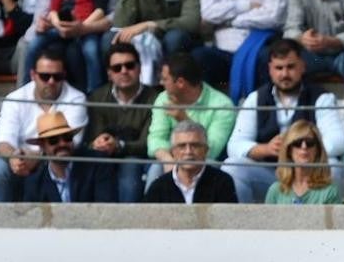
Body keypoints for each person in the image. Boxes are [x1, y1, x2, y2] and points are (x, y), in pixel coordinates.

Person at [224, 38, 344, 203]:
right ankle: (247, 226)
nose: (284, 74)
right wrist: (265, 149)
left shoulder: (321, 97)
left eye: (290, 67)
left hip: (308, 176)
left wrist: (296, 148)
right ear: (270, 70)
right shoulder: (256, 98)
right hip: (270, 175)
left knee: (335, 168)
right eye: (279, 68)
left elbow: (338, 141)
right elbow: (235, 145)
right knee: (232, 166)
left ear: (302, 66)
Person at [0, 47, 88, 201]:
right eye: (45, 76)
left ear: (64, 75)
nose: (52, 81)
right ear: (33, 75)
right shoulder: (15, 98)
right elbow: (2, 140)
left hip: (58, 161)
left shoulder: (76, 98)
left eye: (57, 76)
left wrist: (37, 157)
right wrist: (14, 157)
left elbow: (72, 142)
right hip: (20, 163)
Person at [85, 42, 159, 202]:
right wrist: (98, 143)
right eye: (117, 68)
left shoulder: (154, 98)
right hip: (103, 156)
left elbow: (147, 144)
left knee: (130, 165)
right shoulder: (96, 98)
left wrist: (119, 145)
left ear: (139, 68)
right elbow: (93, 138)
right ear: (109, 74)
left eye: (129, 65)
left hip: (137, 157)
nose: (124, 71)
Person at [146, 51, 236, 181]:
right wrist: (168, 160)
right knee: (156, 168)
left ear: (181, 83)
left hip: (207, 164)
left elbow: (211, 151)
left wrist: (184, 119)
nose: (161, 83)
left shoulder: (222, 105)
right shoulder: (163, 99)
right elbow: (155, 139)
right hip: (172, 158)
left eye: (165, 79)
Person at [196, 0, 288, 89]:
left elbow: (273, 17)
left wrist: (231, 22)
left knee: (268, 57)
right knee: (199, 56)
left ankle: (263, 102)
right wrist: (246, 6)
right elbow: (207, 12)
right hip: (222, 50)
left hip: (258, 47)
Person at [24, 0, 110, 92]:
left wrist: (82, 27)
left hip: (86, 28)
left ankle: (94, 91)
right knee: (35, 43)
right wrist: (57, 23)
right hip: (61, 26)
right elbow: (53, 10)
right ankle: (26, 87)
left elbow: (100, 10)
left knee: (91, 50)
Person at [21, 110, 117, 202]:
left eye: (67, 138)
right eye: (53, 140)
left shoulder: (97, 164)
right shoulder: (35, 183)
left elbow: (105, 209)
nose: (62, 144)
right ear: (42, 146)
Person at [107, 0, 202, 60]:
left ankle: (168, 78)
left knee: (174, 38)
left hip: (175, 34)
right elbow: (119, 24)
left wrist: (150, 25)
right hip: (141, 37)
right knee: (109, 39)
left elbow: (192, 21)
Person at [143, 119, 237, 203]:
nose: (188, 152)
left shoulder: (222, 182)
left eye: (195, 145)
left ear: (206, 150)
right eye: (182, 146)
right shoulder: (158, 187)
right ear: (173, 152)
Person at [264, 119, 340, 204]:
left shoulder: (330, 191)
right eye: (298, 142)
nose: (304, 147)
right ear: (289, 150)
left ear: (317, 150)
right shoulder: (275, 191)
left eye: (309, 142)